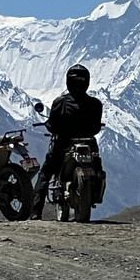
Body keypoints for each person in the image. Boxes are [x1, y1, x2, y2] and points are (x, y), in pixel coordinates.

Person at [30, 64, 105, 220]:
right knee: (98, 169)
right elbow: (96, 127)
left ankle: (36, 212)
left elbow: (52, 125)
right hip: (89, 144)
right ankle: (96, 188)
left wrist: (53, 127)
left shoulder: (60, 102)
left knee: (45, 174)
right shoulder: (95, 104)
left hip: (63, 145)